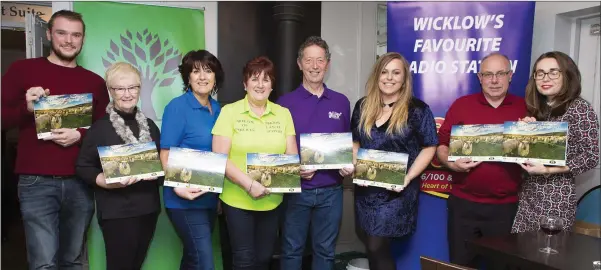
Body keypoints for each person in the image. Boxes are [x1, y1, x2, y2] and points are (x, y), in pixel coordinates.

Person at [0, 10, 110, 269]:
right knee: (43, 263)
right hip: (35, 182)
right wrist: (26, 109)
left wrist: (80, 135)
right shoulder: (22, 70)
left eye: (76, 35)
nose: (69, 40)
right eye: (62, 33)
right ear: (49, 34)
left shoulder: (94, 82)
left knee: (73, 261)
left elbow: (104, 130)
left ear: (83, 40)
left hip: (81, 182)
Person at [436, 52, 528, 268]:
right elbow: (441, 145)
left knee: (501, 266)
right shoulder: (461, 105)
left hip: (505, 208)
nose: (494, 80)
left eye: (500, 73)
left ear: (510, 75)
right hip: (463, 206)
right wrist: (450, 163)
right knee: (460, 264)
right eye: (488, 74)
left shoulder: (525, 109)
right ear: (479, 77)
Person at [351, 52, 438, 270]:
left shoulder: (417, 110)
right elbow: (355, 143)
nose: (389, 78)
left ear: (404, 78)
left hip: (397, 191)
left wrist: (408, 177)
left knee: (375, 245)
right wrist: (356, 169)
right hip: (366, 190)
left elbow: (430, 147)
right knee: (370, 244)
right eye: (384, 72)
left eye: (396, 73)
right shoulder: (362, 106)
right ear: (377, 75)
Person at [212, 56, 298, 270]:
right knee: (244, 260)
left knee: (264, 258)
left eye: (266, 79)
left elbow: (291, 155)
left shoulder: (283, 114)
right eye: (254, 78)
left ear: (272, 85)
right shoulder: (229, 112)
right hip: (237, 199)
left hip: (272, 200)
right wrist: (249, 184)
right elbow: (220, 158)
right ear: (245, 83)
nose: (260, 84)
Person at [276, 36, 353, 270]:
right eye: (309, 60)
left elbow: (345, 144)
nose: (314, 66)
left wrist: (346, 163)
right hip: (296, 192)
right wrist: (293, 168)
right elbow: (278, 150)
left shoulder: (341, 102)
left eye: (320, 60)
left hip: (332, 191)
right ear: (299, 64)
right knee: (291, 252)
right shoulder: (284, 103)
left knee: (326, 252)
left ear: (327, 64)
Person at [76, 62, 162, 270]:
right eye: (120, 88)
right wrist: (104, 182)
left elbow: (161, 164)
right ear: (110, 90)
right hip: (117, 212)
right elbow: (83, 166)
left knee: (135, 265)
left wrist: (157, 172)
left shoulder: (149, 125)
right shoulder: (99, 128)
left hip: (148, 209)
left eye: (132, 87)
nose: (127, 94)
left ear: (139, 89)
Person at [512, 51, 600, 233]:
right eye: (540, 73)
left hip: (556, 198)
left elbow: (591, 156)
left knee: (547, 255)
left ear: (567, 75)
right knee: (520, 255)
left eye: (553, 72)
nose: (546, 78)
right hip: (528, 196)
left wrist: (549, 170)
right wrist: (527, 132)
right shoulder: (537, 109)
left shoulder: (580, 108)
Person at [159, 49, 224, 270]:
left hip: (209, 198)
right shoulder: (177, 107)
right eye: (196, 71)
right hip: (183, 199)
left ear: (216, 77)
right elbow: (165, 153)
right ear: (188, 76)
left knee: (192, 257)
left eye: (208, 71)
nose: (202, 77)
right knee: (204, 262)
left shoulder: (218, 109)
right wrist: (178, 187)